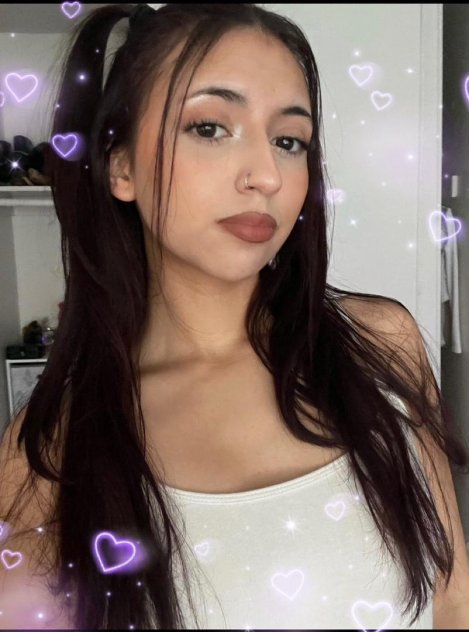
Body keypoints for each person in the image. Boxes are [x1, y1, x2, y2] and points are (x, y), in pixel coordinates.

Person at [1, 3, 469, 629]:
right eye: (210, 128)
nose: (267, 175)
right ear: (121, 166)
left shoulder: (381, 345)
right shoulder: (52, 447)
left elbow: (453, 594)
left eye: (289, 140)